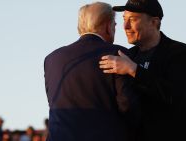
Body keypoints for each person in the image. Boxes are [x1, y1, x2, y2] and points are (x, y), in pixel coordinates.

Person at [99, 0, 186, 140]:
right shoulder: (127, 56)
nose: (125, 26)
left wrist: (133, 69)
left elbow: (173, 96)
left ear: (154, 22)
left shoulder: (181, 52)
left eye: (133, 19)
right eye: (124, 19)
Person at [44, 2, 133, 141]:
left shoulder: (52, 59)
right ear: (107, 26)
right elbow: (127, 105)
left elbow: (53, 103)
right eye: (114, 24)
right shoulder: (118, 55)